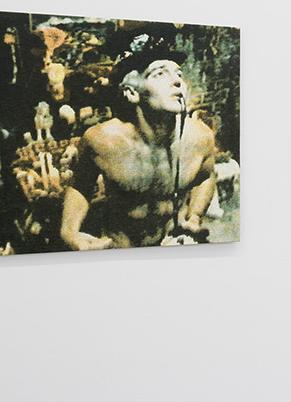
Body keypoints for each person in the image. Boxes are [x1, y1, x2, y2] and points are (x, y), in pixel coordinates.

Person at [60, 34, 219, 249]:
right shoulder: (103, 140)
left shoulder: (200, 137)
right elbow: (81, 185)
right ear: (132, 93)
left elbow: (206, 176)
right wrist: (69, 232)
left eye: (179, 73)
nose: (177, 81)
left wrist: (195, 216)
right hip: (121, 249)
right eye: (160, 74)